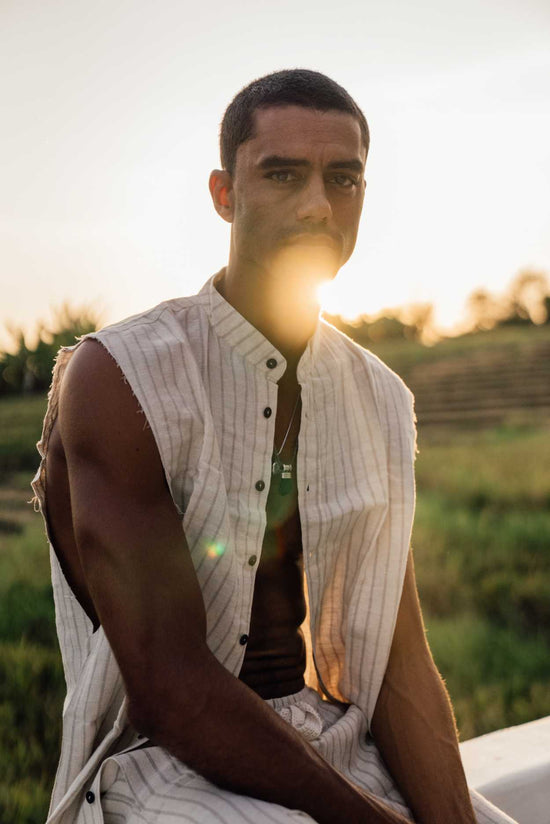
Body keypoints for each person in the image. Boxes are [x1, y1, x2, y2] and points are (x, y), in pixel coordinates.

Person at [32, 69, 516, 824]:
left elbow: (399, 667)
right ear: (225, 194)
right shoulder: (120, 375)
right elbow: (172, 690)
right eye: (282, 174)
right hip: (161, 771)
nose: (318, 205)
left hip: (330, 743)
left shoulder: (379, 396)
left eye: (343, 178)